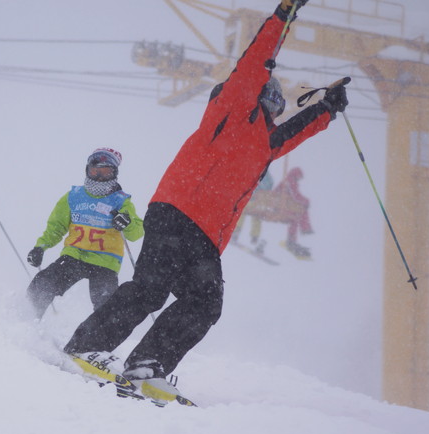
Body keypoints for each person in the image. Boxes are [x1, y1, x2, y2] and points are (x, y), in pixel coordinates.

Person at [63, 0, 348, 392]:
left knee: (203, 303)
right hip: (178, 212)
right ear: (265, 97)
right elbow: (258, 59)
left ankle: (146, 365)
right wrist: (284, 14)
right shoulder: (233, 107)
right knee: (152, 290)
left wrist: (328, 110)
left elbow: (295, 132)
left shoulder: (264, 144)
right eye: (275, 100)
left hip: (205, 236)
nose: (277, 108)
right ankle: (87, 346)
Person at [25, 148, 144, 320]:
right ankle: (25, 320)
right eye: (95, 171)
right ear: (87, 170)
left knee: (107, 307)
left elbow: (136, 233)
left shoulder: (120, 201)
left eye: (105, 173)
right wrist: (40, 247)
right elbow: (56, 227)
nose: (98, 177)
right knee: (43, 284)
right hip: (75, 256)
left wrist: (126, 222)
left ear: (114, 174)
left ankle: (98, 343)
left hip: (105, 263)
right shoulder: (74, 196)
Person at [273, 167, 313, 258]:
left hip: (280, 206)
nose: (299, 179)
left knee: (296, 215)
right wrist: (306, 201)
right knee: (299, 213)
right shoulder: (290, 181)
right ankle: (303, 230)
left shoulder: (288, 181)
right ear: (296, 175)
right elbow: (296, 196)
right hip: (282, 207)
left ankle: (293, 238)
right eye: (299, 177)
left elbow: (279, 192)